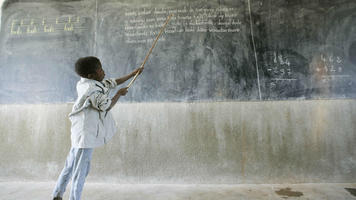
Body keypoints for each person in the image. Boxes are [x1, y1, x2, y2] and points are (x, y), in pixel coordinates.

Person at [52, 56, 143, 200]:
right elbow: (107, 106)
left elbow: (111, 83)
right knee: (80, 171)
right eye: (100, 70)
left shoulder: (87, 82)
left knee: (70, 166)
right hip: (85, 133)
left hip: (81, 132)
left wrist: (132, 74)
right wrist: (119, 94)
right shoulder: (92, 90)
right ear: (91, 75)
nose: (103, 71)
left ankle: (57, 195)